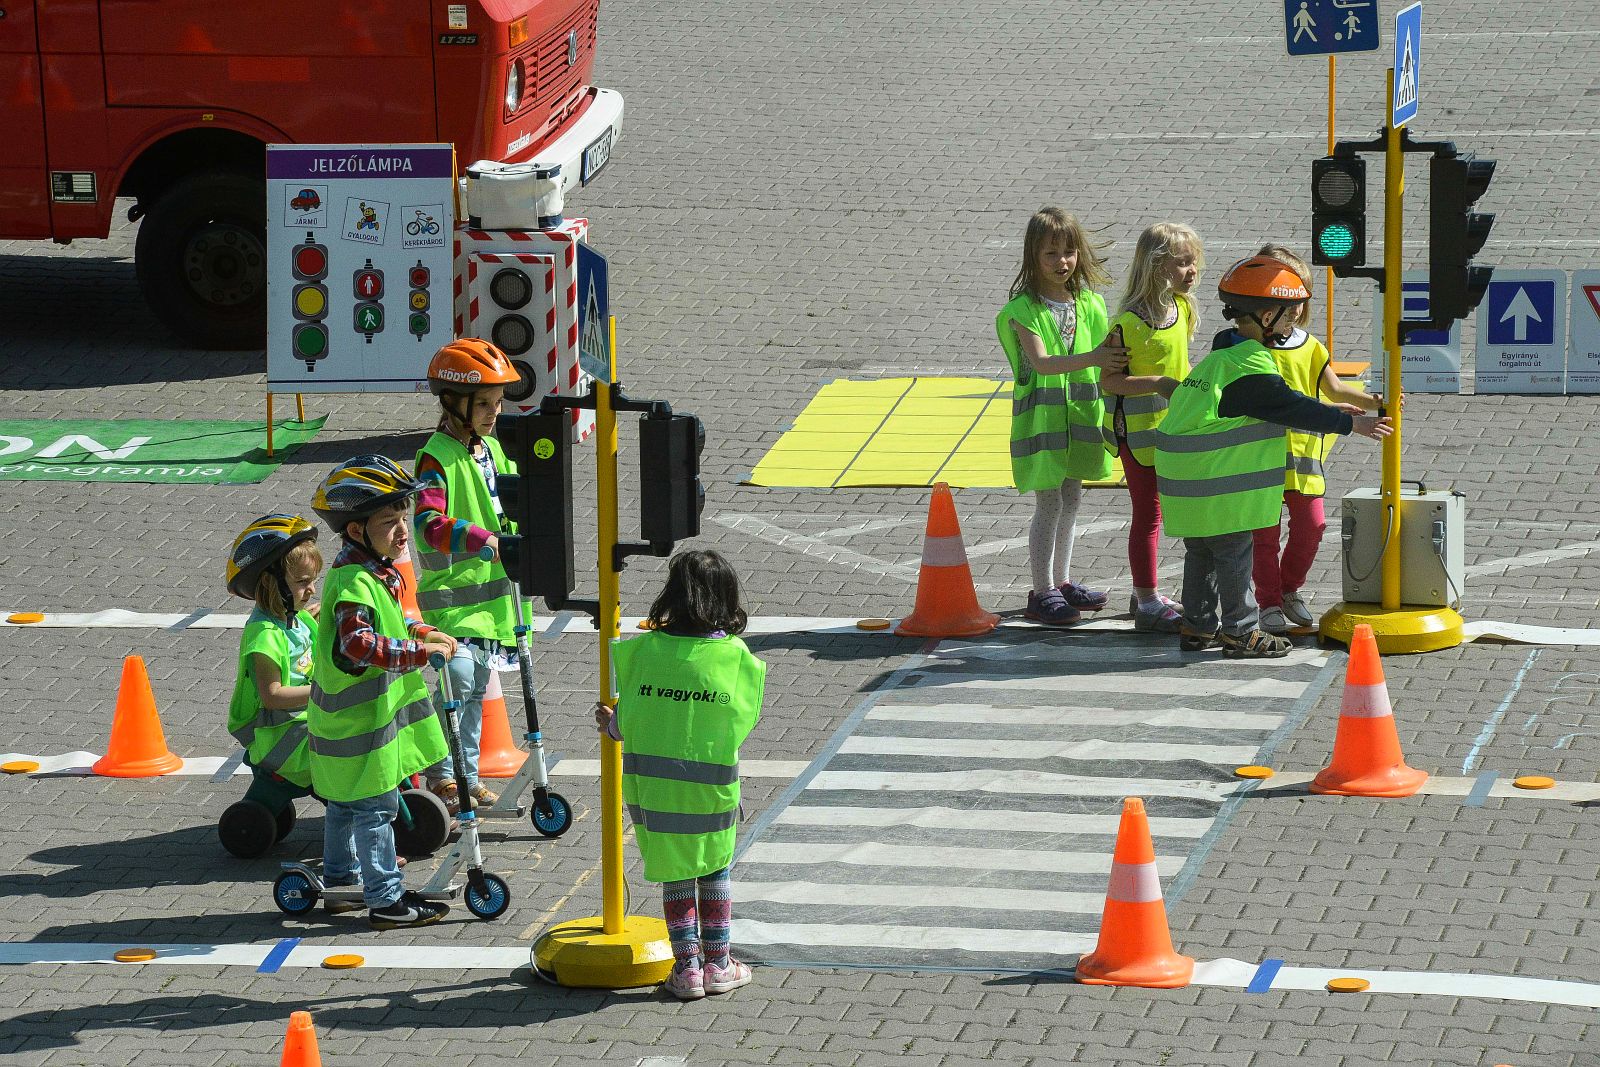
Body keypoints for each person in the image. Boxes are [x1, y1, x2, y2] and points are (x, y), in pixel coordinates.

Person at [1153, 255, 1392, 657]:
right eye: (1287, 316)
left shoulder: (1224, 355)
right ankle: (1242, 631)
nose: (1292, 323)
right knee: (1233, 552)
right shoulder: (1249, 363)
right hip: (1215, 481)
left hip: (1185, 478)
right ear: (1266, 316)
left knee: (1201, 552)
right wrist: (1352, 425)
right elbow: (1286, 406)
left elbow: (1281, 400)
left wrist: (1332, 410)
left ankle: (1197, 626)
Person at [593, 550, 765, 1000]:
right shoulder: (736, 659)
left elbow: (624, 722)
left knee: (675, 875)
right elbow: (743, 722)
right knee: (714, 870)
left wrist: (609, 723)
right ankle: (720, 964)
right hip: (712, 791)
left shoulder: (643, 653)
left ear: (673, 594)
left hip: (654, 793)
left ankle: (687, 969)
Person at [308, 455, 457, 928]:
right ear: (356, 533)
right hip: (359, 731)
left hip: (348, 729)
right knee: (376, 809)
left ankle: (339, 886)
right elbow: (357, 643)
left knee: (344, 808)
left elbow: (389, 624)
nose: (403, 532)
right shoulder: (354, 580)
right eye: (390, 523)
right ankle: (385, 901)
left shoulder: (374, 572)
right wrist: (419, 655)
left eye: (404, 519)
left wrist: (422, 632)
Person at [995, 207, 1129, 626]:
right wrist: (1095, 357)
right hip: (1043, 422)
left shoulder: (1089, 303)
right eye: (1051, 253)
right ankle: (1042, 591)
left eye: (1069, 252)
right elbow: (1043, 363)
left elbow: (1106, 359)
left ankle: (1063, 581)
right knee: (1049, 502)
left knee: (1072, 498)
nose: (1062, 262)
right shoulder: (1024, 310)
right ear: (1032, 256)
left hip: (1081, 417)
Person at [1248, 245, 1386, 635]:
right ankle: (1268, 601)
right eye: (1282, 298)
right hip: (1259, 453)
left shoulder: (1310, 346)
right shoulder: (1249, 345)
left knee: (1312, 527)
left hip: (1304, 455)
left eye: (1298, 297)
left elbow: (1338, 390)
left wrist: (1379, 401)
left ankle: (1289, 590)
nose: (1293, 308)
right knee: (1264, 534)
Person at [413, 338, 525, 814]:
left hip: (494, 604)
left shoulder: (493, 450)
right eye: (482, 404)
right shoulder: (436, 458)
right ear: (452, 403)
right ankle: (444, 778)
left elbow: (513, 505)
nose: (492, 413)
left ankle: (468, 775)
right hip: (454, 604)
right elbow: (427, 524)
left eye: (496, 404)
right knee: (458, 687)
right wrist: (484, 539)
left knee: (476, 690)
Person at [1100, 222, 1204, 633]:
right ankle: (1145, 602)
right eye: (1181, 263)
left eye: (1193, 261)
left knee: (1166, 512)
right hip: (1137, 434)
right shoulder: (1129, 323)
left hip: (1175, 430)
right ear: (1156, 267)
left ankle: (1147, 592)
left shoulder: (1183, 309)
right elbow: (1108, 381)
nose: (1191, 270)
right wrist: (1160, 385)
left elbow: (1181, 365)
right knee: (1148, 515)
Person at [223, 514, 322, 815]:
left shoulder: (297, 618)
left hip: (301, 720)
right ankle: (357, 811)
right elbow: (273, 696)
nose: (312, 590)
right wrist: (324, 691)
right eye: (303, 582)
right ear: (271, 583)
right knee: (348, 749)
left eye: (313, 580)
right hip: (280, 732)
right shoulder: (264, 636)